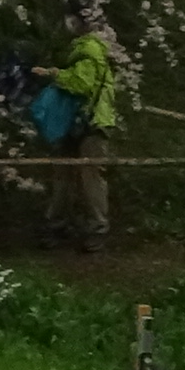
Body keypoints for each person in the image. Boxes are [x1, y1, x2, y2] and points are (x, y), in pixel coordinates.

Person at [41, 18, 127, 249]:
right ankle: (62, 224)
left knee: (87, 176)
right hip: (82, 120)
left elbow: (81, 83)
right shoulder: (89, 49)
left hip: (91, 122)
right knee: (68, 173)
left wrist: (55, 74)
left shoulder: (88, 50)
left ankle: (94, 227)